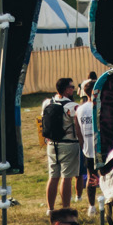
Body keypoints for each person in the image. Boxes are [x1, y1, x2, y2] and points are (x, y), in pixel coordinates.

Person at [40, 79, 82, 214]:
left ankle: (50, 209)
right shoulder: (72, 106)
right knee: (67, 177)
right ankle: (66, 209)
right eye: (72, 87)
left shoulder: (47, 103)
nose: (73, 89)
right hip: (69, 144)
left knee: (53, 177)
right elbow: (78, 125)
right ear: (66, 89)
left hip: (51, 144)